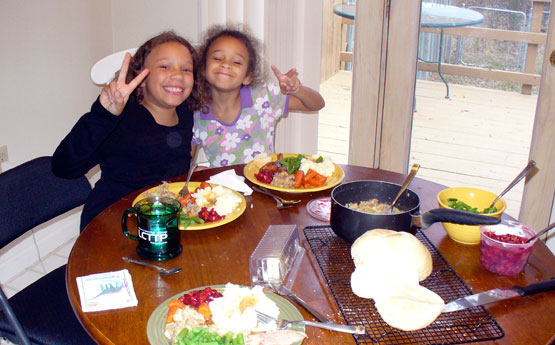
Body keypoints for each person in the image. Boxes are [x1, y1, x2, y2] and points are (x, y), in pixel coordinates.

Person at [52, 31, 198, 230]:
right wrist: (104, 114)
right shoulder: (122, 117)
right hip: (114, 223)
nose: (177, 75)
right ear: (142, 77)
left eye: (186, 69)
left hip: (164, 219)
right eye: (165, 66)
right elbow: (64, 166)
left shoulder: (186, 111)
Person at [190, 24, 325, 167]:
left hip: (265, 186)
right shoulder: (196, 113)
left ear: (248, 77)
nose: (225, 64)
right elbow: (187, 159)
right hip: (223, 189)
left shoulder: (263, 97)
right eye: (217, 58)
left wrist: (297, 90)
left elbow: (317, 104)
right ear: (203, 69)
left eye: (236, 62)